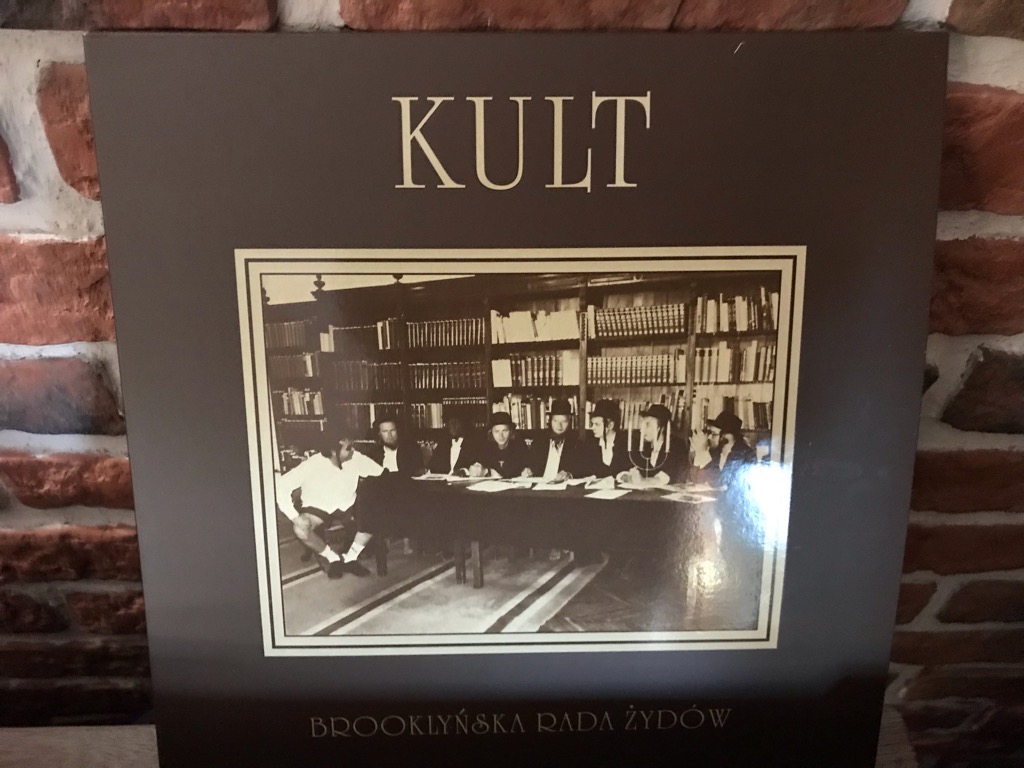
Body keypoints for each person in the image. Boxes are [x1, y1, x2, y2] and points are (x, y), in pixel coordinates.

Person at [275, 426, 384, 579]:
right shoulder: (312, 464)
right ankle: (332, 558)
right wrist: (295, 517)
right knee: (300, 530)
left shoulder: (356, 458)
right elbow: (281, 486)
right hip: (318, 507)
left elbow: (381, 474)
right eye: (348, 448)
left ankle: (350, 558)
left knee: (376, 515)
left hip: (348, 504)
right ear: (333, 451)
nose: (352, 451)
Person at [616, 403, 687, 488]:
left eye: (648, 425)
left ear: (661, 428)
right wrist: (628, 477)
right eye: (642, 425)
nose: (642, 430)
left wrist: (643, 481)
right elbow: (632, 468)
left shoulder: (676, 446)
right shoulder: (643, 447)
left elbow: (666, 476)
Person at [690, 410, 757, 489]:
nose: (709, 437)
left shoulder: (745, 455)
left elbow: (722, 485)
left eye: (714, 434)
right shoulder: (715, 452)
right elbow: (695, 479)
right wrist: (698, 453)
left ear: (728, 437)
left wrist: (703, 454)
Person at [460, 411, 532, 479]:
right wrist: (474, 470)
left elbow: (526, 467)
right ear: (491, 432)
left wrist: (528, 471)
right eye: (497, 431)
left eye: (505, 431)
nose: (501, 436)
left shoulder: (519, 445)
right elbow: (462, 468)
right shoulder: (484, 447)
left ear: (511, 431)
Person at [528, 399, 584, 481]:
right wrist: (528, 471)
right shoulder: (539, 440)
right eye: (555, 421)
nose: (559, 426)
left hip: (563, 487)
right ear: (550, 420)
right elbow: (531, 464)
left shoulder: (576, 443)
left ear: (569, 421)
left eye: (564, 421)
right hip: (540, 485)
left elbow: (582, 469)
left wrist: (569, 474)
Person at [582, 399, 630, 478]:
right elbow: (585, 472)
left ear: (610, 425)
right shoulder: (590, 444)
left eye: (597, 424)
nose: (592, 428)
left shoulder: (626, 445)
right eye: (592, 424)